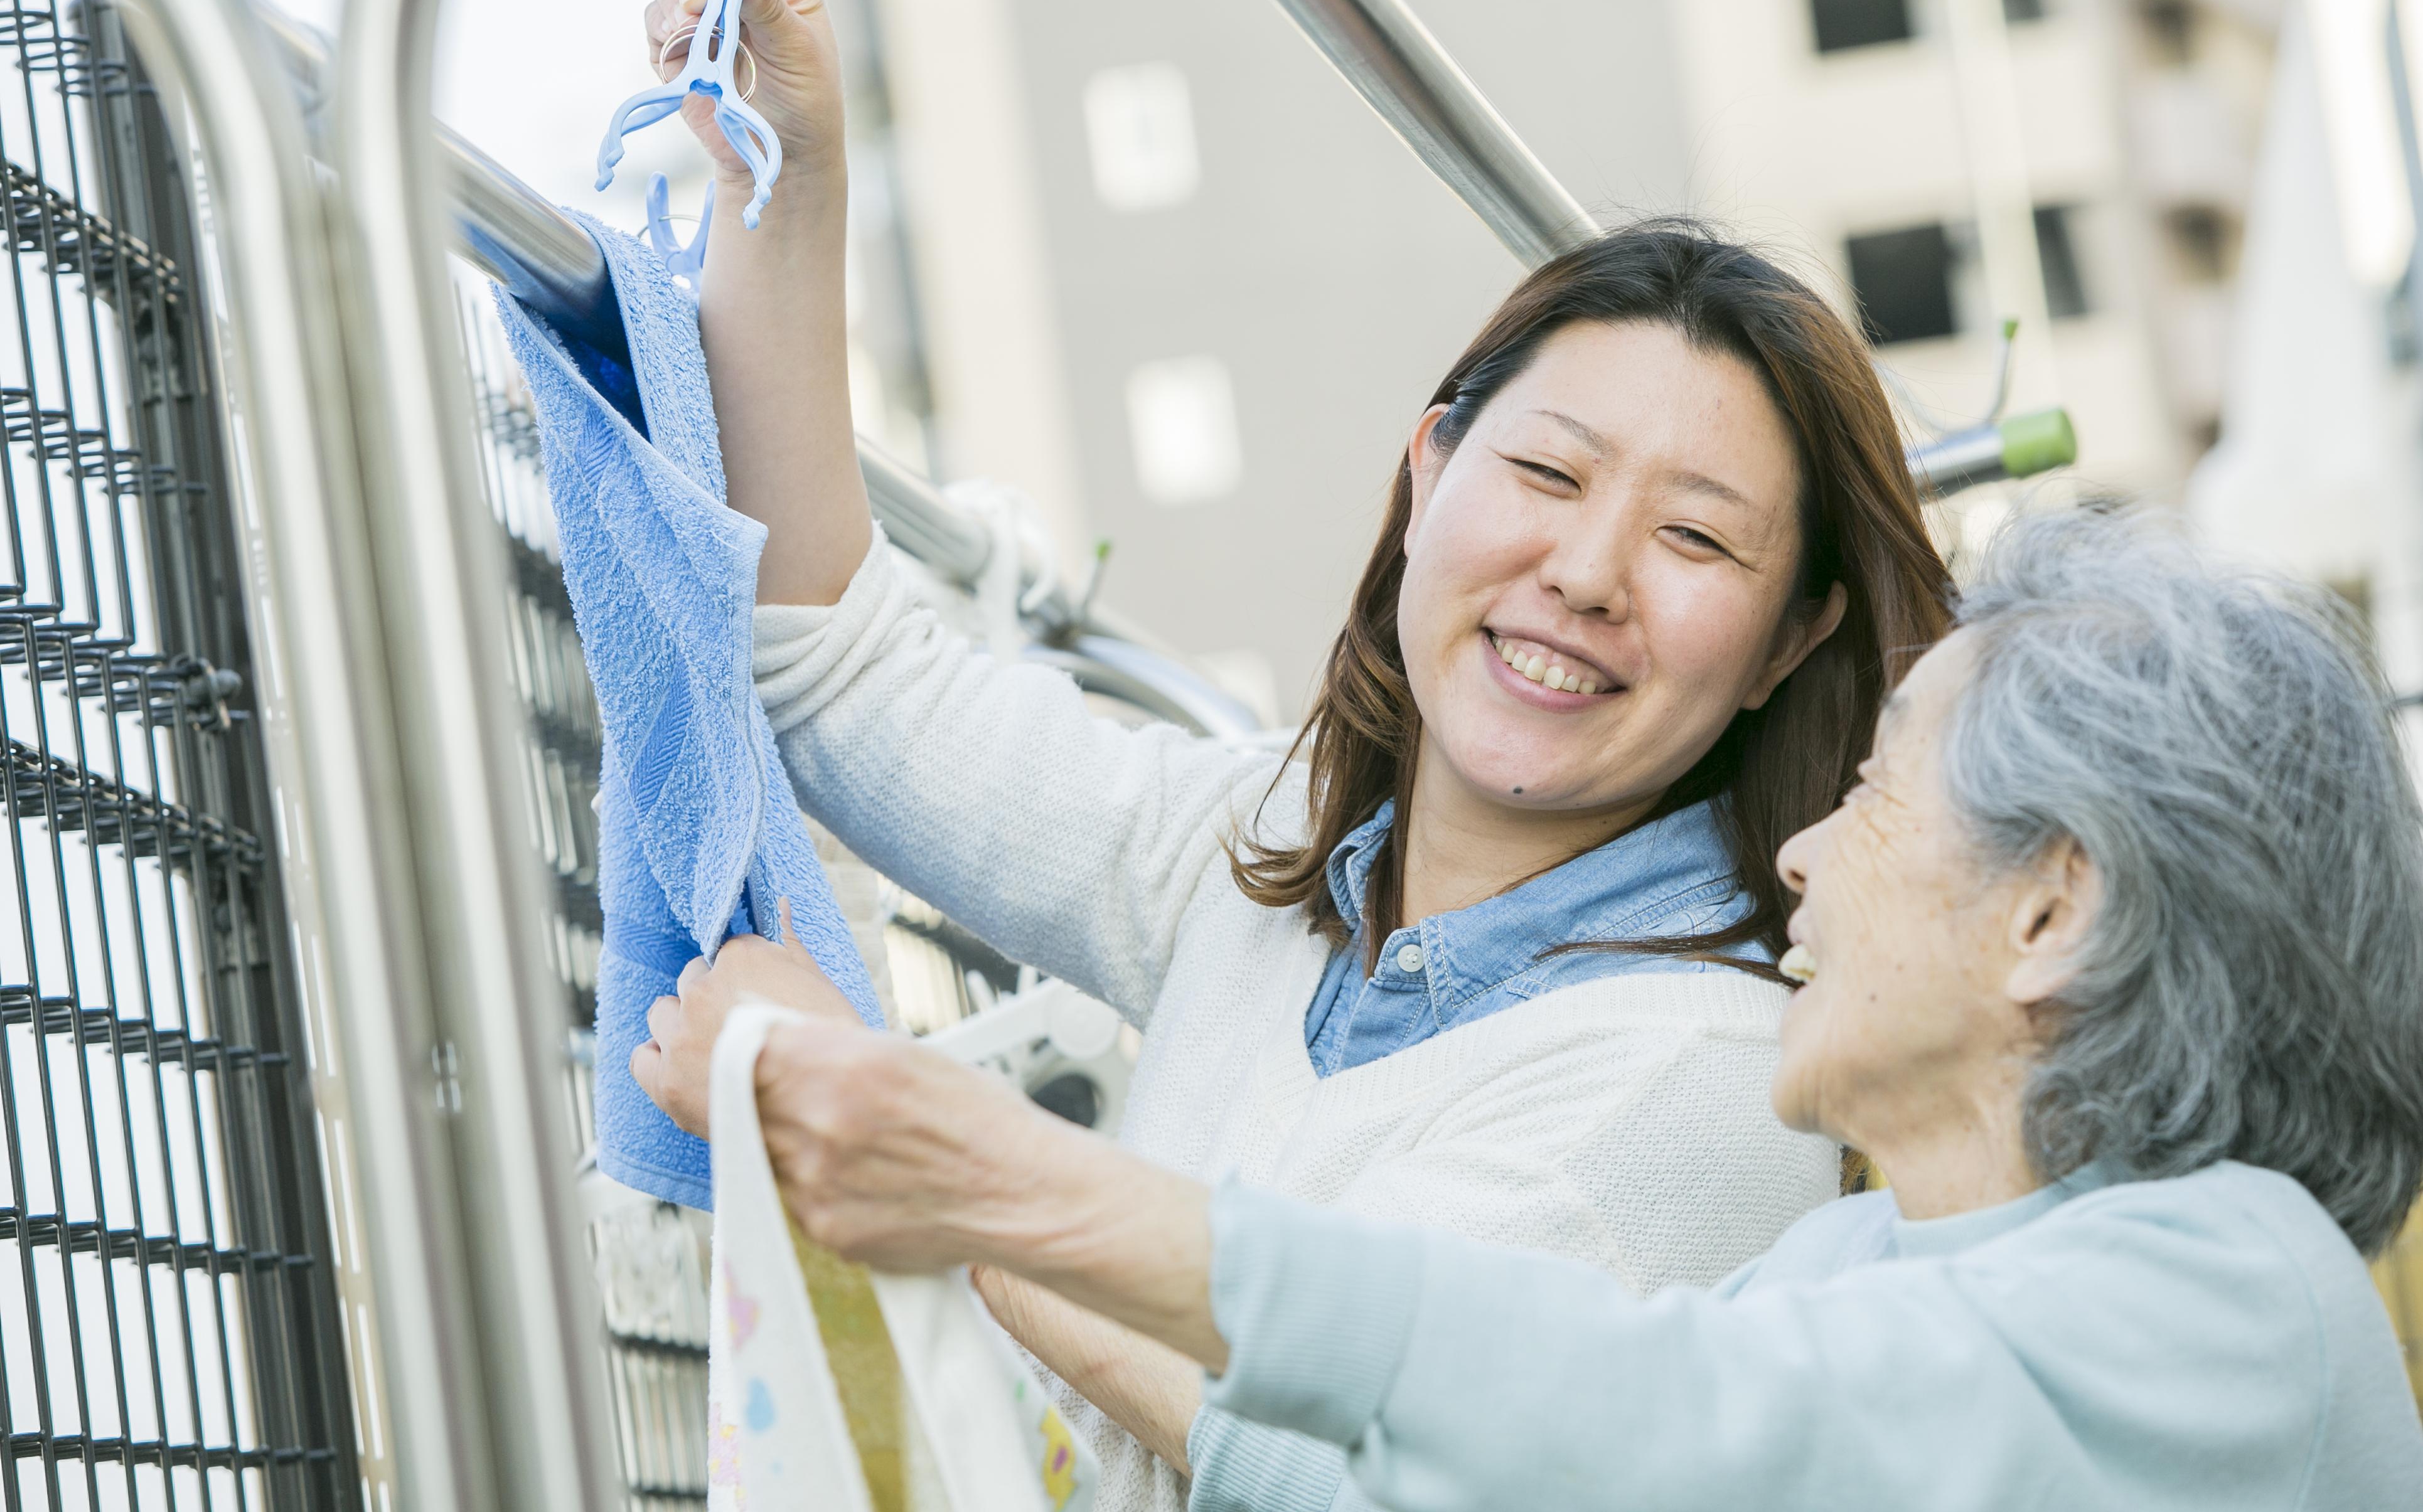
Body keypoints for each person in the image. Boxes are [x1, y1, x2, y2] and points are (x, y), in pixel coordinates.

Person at [630, 0, 1945, 1509]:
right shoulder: (1276, 852)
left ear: (1787, 642)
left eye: (1693, 539)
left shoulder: (1710, 1071)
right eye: (1543, 473)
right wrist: (790, 172)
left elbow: (1343, 1471)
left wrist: (883, 1128)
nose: (1585, 573)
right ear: (1427, 468)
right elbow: (848, 672)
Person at [645, 505, 2423, 1510]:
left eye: (1876, 792)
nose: (1797, 851)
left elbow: (1681, 1415)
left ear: (2050, 905)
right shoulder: (1856, 1278)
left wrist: (987, 1174)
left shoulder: (2249, 1290)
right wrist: (934, 1188)